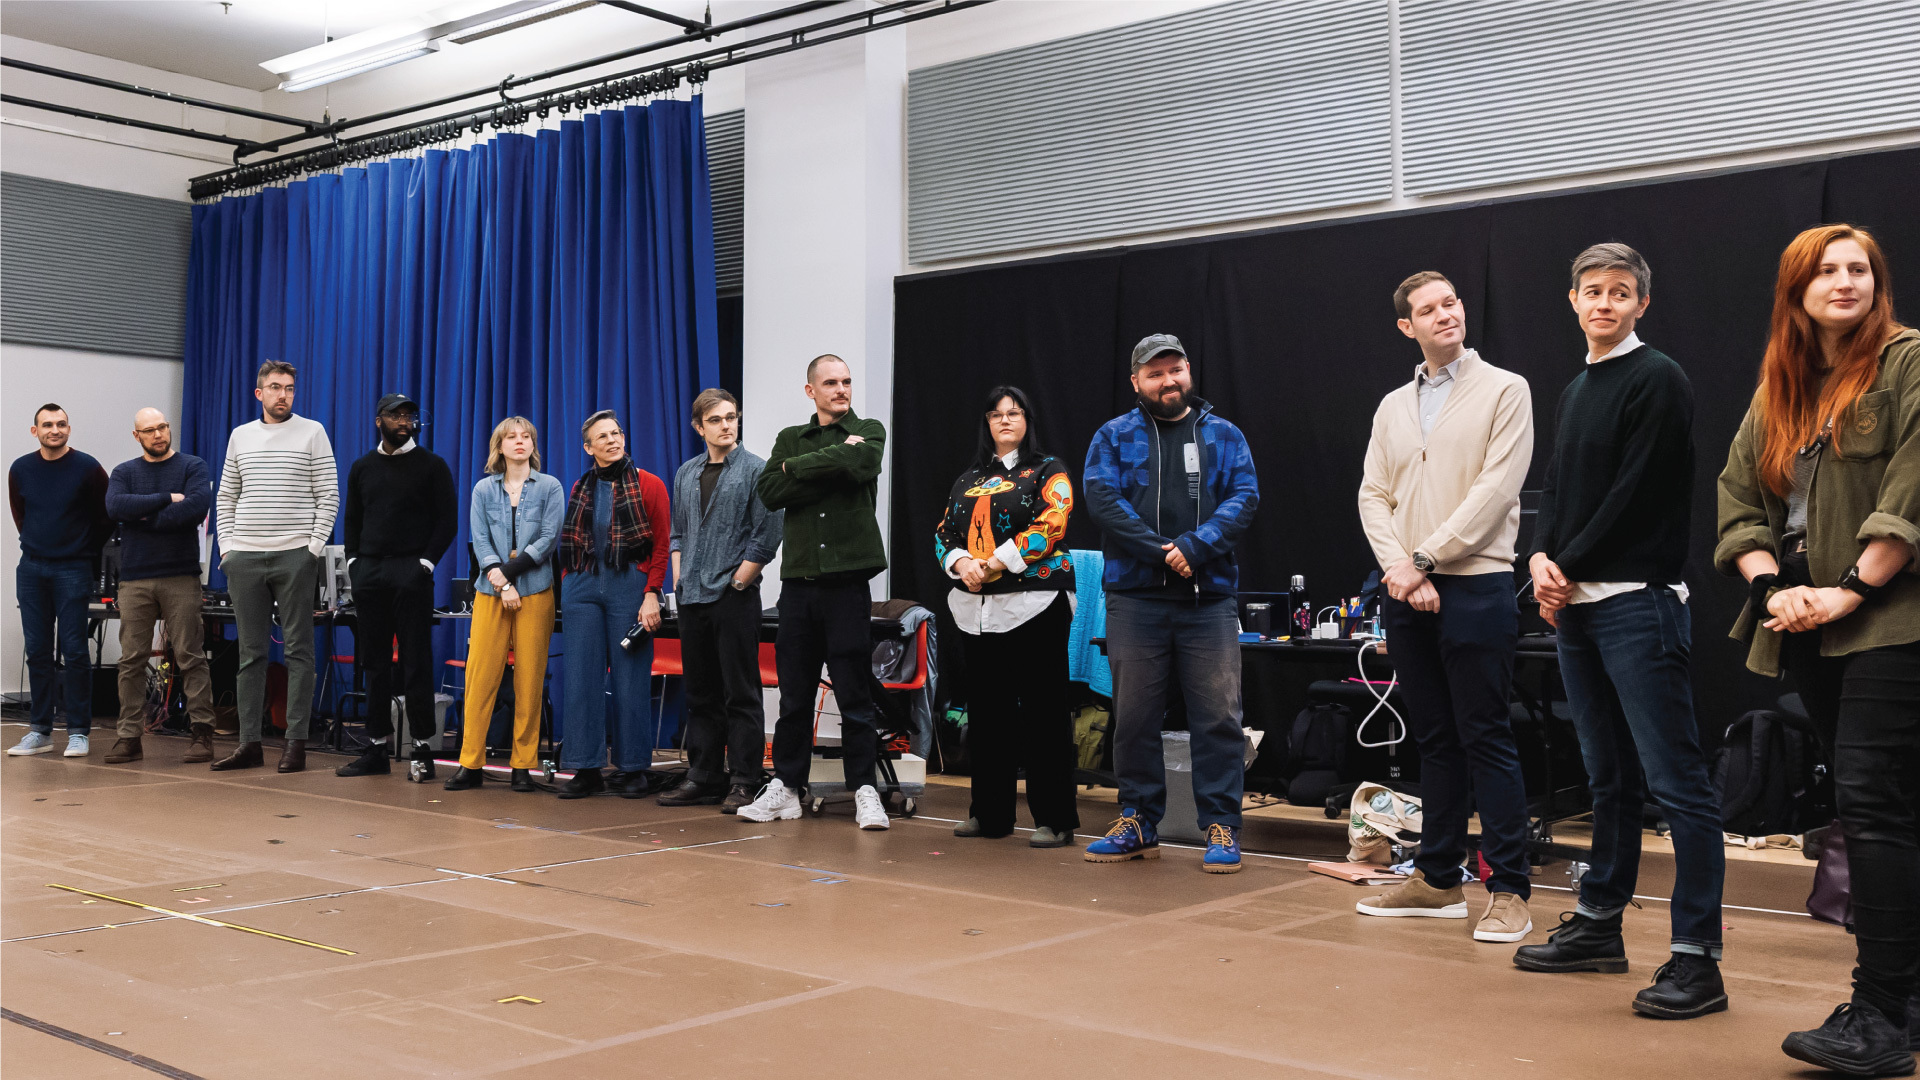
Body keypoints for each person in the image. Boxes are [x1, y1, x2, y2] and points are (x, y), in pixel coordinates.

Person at [1714, 225, 1920, 1076]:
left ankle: (1880, 1014)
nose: (1845, 282)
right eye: (1826, 271)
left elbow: (1915, 481)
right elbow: (1738, 497)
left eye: (1859, 269)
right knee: (1876, 810)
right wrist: (1773, 591)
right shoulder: (1783, 387)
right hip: (1804, 623)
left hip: (1889, 620)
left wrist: (1852, 589)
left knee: (1875, 806)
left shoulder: (1907, 362)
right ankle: (1900, 1000)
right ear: (1796, 290)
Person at [1513, 243, 1727, 1019]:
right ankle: (1601, 926)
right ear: (1573, 301)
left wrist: (1561, 562)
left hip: (1638, 603)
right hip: (1577, 607)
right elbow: (1559, 490)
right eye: (1592, 290)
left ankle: (1698, 961)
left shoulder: (1658, 378)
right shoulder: (1576, 389)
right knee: (1607, 780)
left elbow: (1637, 495)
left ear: (1642, 305)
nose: (1605, 302)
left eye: (1621, 292)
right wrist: (1539, 559)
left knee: (1679, 788)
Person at [1354, 272, 1536, 941]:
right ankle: (1437, 881)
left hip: (1476, 585)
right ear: (1408, 326)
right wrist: (1401, 570)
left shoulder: (1505, 390)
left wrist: (1425, 557)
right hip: (1407, 588)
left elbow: (1496, 489)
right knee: (1434, 739)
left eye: (1450, 304)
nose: (1443, 315)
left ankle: (1509, 890)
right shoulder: (1392, 406)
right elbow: (1373, 495)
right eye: (1427, 310)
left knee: (1485, 735)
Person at [1081, 334, 1260, 873]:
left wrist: (1194, 548)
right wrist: (1163, 554)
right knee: (1133, 719)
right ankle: (1137, 821)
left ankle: (1222, 826)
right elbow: (1101, 500)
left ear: (1188, 372)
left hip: (1208, 603)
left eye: (1175, 369)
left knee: (1219, 719)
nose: (1168, 380)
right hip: (1135, 602)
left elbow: (1244, 498)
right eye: (1155, 373)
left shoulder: (1224, 436)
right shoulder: (1113, 436)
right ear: (1136, 381)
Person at [740, 354, 892, 829]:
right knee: (794, 694)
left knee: (853, 692)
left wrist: (796, 470)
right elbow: (768, 490)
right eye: (831, 383)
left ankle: (865, 788)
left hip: (847, 583)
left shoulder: (869, 429)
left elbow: (862, 463)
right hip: (799, 586)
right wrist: (829, 464)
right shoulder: (791, 436)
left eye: (846, 381)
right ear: (811, 391)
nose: (841, 389)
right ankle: (786, 787)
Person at [934, 385, 1080, 847]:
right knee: (989, 713)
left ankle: (1055, 819)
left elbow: (1051, 524)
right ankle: (990, 813)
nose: (1005, 421)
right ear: (986, 423)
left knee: (1044, 712)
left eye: (1014, 413)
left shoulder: (1047, 470)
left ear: (1027, 420)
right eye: (996, 414)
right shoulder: (968, 478)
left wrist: (993, 563)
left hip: (1035, 603)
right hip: (978, 609)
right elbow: (943, 532)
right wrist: (961, 564)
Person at [211, 360, 339, 772]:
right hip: (244, 557)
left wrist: (312, 550)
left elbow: (329, 496)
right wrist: (227, 550)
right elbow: (227, 494)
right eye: (275, 387)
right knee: (250, 654)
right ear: (259, 393)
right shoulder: (240, 436)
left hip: (295, 556)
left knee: (300, 652)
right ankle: (249, 743)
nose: (283, 395)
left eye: (288, 388)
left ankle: (295, 743)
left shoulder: (312, 432)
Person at [659, 389, 782, 812]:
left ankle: (744, 780)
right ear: (699, 427)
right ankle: (704, 775)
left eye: (731, 417)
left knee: (741, 693)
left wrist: (738, 583)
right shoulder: (685, 472)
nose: (727, 425)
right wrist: (679, 577)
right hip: (691, 595)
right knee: (700, 692)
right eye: (716, 420)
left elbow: (766, 537)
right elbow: (677, 532)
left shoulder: (755, 470)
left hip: (734, 597)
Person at [335, 393, 458, 782]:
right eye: (396, 415)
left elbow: (447, 521)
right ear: (379, 421)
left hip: (411, 573)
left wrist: (424, 563)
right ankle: (375, 747)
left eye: (410, 415)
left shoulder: (432, 466)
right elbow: (352, 519)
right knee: (373, 661)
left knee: (415, 660)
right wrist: (354, 563)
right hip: (369, 574)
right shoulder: (362, 467)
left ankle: (422, 748)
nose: (404, 421)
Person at [554, 410, 671, 798]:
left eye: (616, 432)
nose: (612, 440)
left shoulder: (649, 484)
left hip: (629, 586)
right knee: (581, 680)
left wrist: (652, 591)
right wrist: (569, 583)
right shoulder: (579, 486)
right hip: (583, 586)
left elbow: (660, 544)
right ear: (589, 447)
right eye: (602, 436)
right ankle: (585, 768)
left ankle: (633, 768)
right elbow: (570, 541)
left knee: (631, 679)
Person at [445, 417, 564, 794]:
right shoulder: (483, 489)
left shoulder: (550, 487)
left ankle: (523, 765)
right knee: (480, 678)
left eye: (526, 436)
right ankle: (470, 762)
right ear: (499, 446)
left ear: (533, 445)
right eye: (511, 437)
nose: (519, 441)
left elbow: (548, 539)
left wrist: (507, 575)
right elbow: (478, 538)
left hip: (535, 591)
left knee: (529, 679)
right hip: (490, 593)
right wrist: (498, 580)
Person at [103, 408, 216, 765]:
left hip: (181, 575)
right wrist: (168, 498)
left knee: (190, 655)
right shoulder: (125, 471)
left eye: (163, 427)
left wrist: (141, 517)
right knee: (131, 661)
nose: (158, 435)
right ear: (136, 436)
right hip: (135, 578)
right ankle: (128, 737)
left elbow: (196, 508)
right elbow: (114, 506)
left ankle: (202, 733)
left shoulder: (192, 466)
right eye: (149, 430)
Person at [7, 404, 109, 758]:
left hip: (73, 569)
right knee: (37, 652)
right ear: (35, 431)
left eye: (61, 424)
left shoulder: (88, 468)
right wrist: (43, 546)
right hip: (32, 569)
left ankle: (79, 731)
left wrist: (79, 550)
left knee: (76, 651)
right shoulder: (20, 468)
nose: (55, 429)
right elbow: (21, 515)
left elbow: (105, 517)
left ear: (69, 428)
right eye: (47, 424)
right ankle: (40, 731)